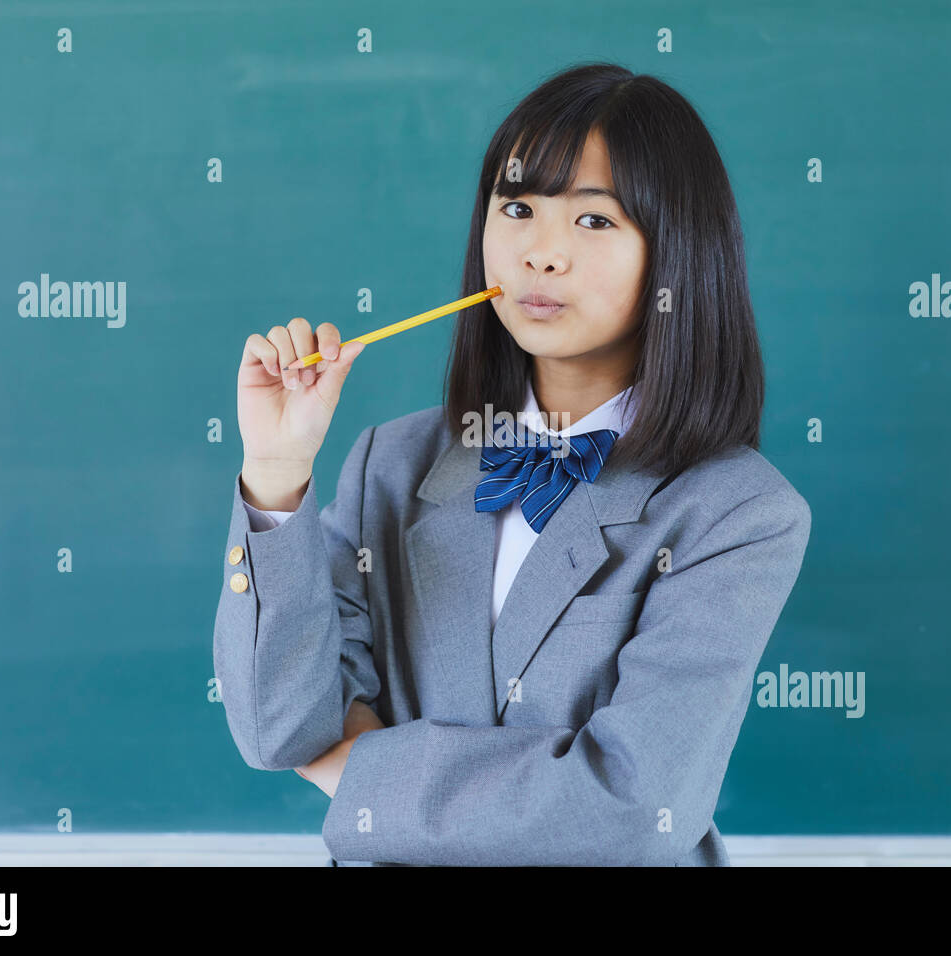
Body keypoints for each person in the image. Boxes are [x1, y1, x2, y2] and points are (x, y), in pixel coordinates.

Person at [213, 62, 811, 866]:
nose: (541, 253)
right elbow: (281, 730)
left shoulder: (738, 513)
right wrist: (276, 474)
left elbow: (633, 809)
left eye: (594, 221)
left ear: (676, 252)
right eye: (518, 207)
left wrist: (362, 770)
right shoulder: (388, 463)